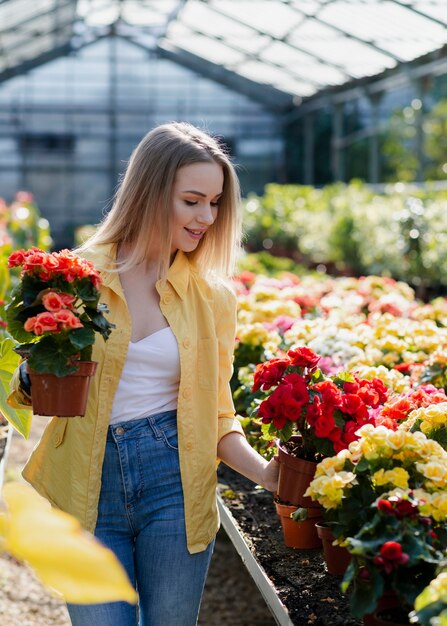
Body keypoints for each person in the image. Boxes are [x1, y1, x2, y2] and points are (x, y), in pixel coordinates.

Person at [9, 122, 279, 626]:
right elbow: (24, 387)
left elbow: (218, 413)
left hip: (174, 481)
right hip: (88, 484)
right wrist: (31, 374)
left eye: (215, 202)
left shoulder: (212, 297)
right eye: (192, 200)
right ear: (152, 193)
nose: (206, 217)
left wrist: (267, 473)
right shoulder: (73, 276)